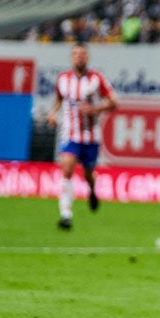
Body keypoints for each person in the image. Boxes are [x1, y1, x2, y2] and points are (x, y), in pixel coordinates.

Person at [46, 42, 118, 230]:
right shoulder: (63, 79)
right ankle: (66, 214)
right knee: (67, 168)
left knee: (88, 173)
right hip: (70, 134)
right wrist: (52, 113)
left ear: (88, 57)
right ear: (71, 57)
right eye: (76, 54)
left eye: (83, 54)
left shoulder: (96, 79)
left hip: (90, 136)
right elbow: (59, 99)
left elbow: (114, 102)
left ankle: (92, 191)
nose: (79, 57)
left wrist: (94, 109)